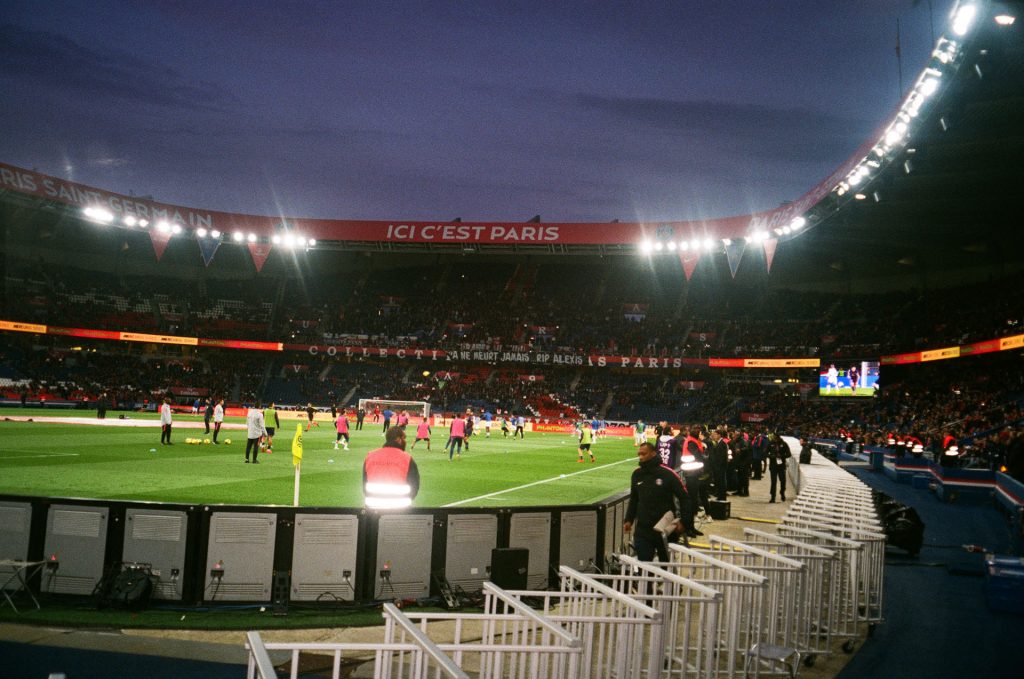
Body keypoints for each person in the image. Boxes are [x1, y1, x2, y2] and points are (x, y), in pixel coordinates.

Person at [623, 442, 690, 562]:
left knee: (667, 567)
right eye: (639, 454)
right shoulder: (637, 474)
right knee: (644, 567)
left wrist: (684, 522)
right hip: (643, 529)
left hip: (665, 529)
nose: (641, 457)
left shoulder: (668, 474)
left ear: (653, 453)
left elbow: (685, 498)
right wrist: (629, 519)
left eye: (644, 454)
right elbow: (634, 498)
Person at [363, 426, 420, 509]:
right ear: (398, 439)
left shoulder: (370, 456)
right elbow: (414, 486)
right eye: (404, 438)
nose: (405, 441)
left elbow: (365, 484)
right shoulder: (407, 459)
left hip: (373, 509)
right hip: (400, 510)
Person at [768, 433, 791, 502]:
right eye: (773, 438)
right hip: (773, 465)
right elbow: (765, 452)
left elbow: (789, 454)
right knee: (773, 482)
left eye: (775, 438)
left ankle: (782, 492)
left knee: (783, 480)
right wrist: (771, 456)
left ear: (778, 437)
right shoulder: (770, 444)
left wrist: (781, 456)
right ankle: (773, 497)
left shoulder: (784, 444)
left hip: (781, 465)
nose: (774, 439)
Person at [708, 429, 729, 501]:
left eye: (715, 434)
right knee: (720, 482)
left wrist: (717, 466)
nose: (714, 436)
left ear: (719, 435)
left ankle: (722, 497)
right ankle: (720, 496)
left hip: (720, 467)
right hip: (719, 467)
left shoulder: (722, 444)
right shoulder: (719, 443)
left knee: (721, 482)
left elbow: (721, 457)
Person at [731, 428, 751, 497]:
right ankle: (739, 490)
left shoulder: (743, 441)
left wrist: (740, 450)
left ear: (738, 435)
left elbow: (746, 448)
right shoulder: (736, 441)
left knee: (744, 478)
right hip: (739, 462)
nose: (734, 436)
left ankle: (746, 492)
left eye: (735, 435)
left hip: (744, 462)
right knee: (739, 477)